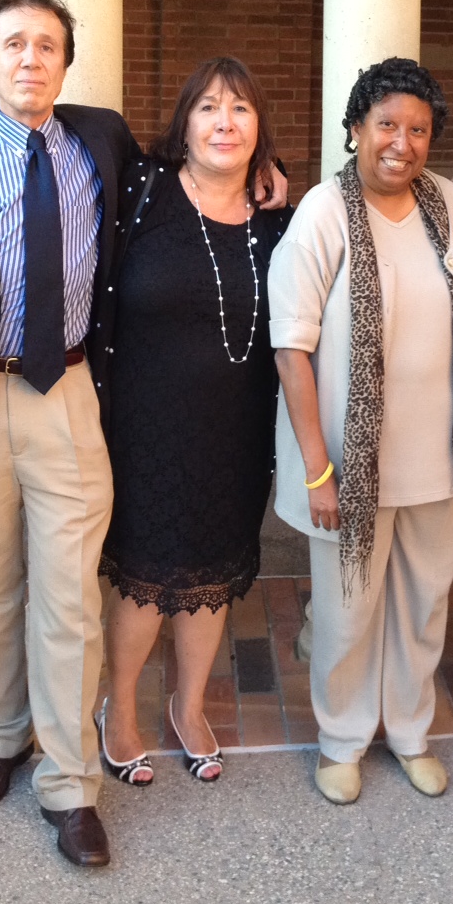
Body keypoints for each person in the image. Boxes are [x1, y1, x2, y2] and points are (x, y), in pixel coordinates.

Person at [0, 0, 285, 867]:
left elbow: (194, 184)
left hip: (63, 394)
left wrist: (258, 174)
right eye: (14, 44)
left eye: (48, 45)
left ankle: (69, 783)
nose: (31, 58)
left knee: (68, 596)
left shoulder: (101, 141)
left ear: (66, 61)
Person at [272, 57, 453, 806]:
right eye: (386, 124)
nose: (402, 142)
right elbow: (291, 347)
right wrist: (319, 468)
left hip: (439, 455)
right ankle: (341, 740)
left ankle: (409, 731)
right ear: (356, 129)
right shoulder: (323, 214)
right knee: (347, 610)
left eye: (418, 129)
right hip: (353, 467)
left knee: (424, 604)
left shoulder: (447, 203)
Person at [96, 57, 291, 787]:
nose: (224, 123)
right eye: (208, 107)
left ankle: (188, 704)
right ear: (184, 124)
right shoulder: (143, 194)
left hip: (236, 431)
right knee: (146, 575)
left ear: (259, 131)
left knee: (211, 569)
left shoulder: (278, 220)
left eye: (241, 110)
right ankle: (118, 710)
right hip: (144, 428)